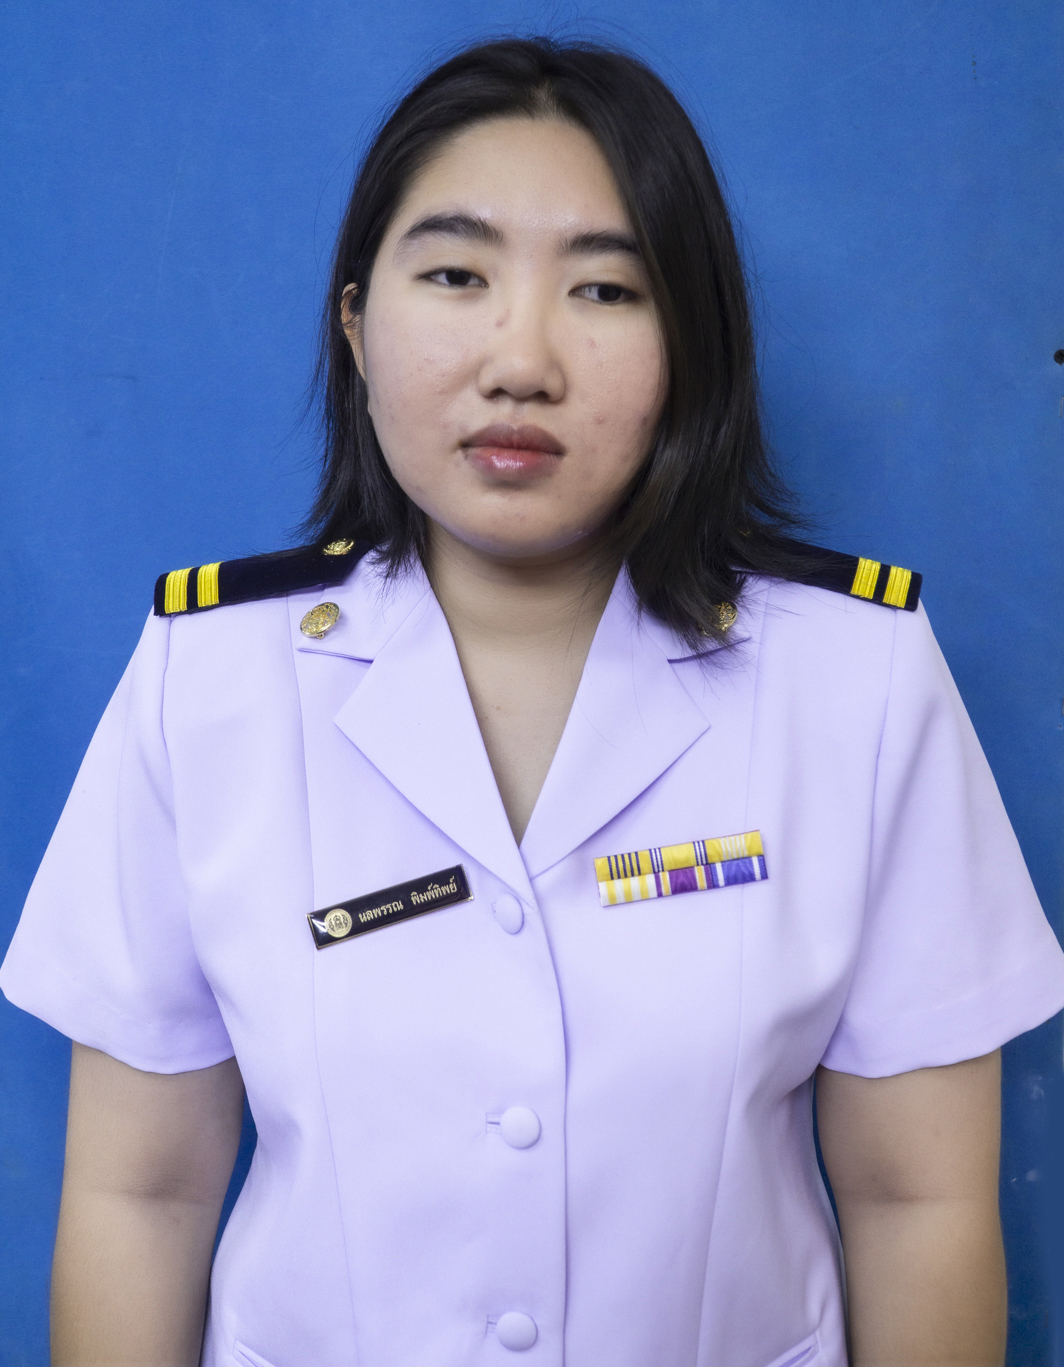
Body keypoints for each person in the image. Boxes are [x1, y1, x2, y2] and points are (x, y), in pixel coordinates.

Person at [2, 35, 1062, 1367]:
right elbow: (141, 1195)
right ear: (355, 324)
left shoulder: (855, 680)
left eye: (606, 289)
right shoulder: (211, 682)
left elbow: (919, 1201)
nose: (523, 361)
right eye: (457, 275)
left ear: (692, 344)